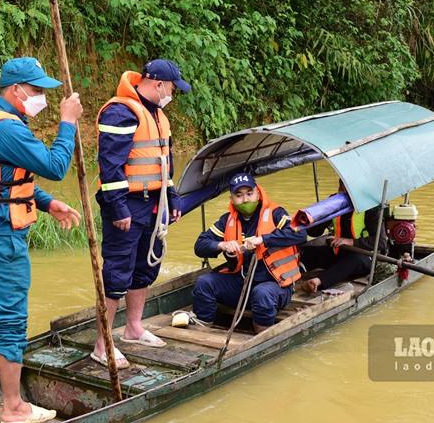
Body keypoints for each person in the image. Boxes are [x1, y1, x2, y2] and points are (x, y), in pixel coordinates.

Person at [0, 57, 83, 423]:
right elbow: (56, 166)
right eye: (37, 90)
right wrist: (68, 121)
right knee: (10, 319)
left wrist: (47, 203)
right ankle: (14, 408)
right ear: (15, 91)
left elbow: (4, 181)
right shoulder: (9, 129)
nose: (41, 96)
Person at [92, 59, 190, 369]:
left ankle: (133, 328)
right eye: (172, 88)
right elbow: (110, 166)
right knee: (116, 274)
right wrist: (119, 208)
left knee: (145, 267)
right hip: (128, 205)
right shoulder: (120, 112)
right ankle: (102, 344)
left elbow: (164, 163)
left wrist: (172, 198)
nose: (172, 94)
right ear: (158, 83)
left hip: (155, 203)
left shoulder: (158, 114)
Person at [191, 174, 306, 333]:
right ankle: (202, 332)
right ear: (231, 199)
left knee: (262, 294)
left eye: (249, 193)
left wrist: (263, 240)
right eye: (239, 195)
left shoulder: (275, 213)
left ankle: (262, 339)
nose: (245, 199)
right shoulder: (227, 220)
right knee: (204, 283)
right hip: (242, 284)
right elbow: (200, 245)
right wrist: (222, 245)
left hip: (276, 285)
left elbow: (300, 234)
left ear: (258, 193)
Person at [298, 180, 388, 293]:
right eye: (342, 187)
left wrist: (350, 241)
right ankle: (293, 273)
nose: (344, 191)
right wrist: (312, 216)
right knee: (305, 252)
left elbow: (381, 242)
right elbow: (315, 232)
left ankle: (318, 282)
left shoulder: (371, 207)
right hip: (338, 253)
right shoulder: (334, 202)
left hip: (364, 256)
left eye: (348, 188)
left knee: (354, 260)